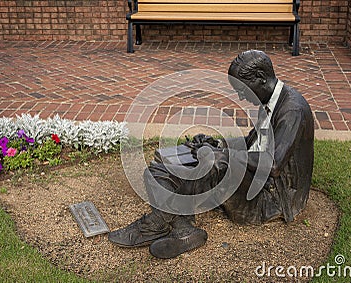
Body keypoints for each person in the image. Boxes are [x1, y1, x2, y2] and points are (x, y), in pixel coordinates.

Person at [108, 50, 314, 259]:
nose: (241, 95)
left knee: (216, 161)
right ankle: (184, 229)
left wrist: (222, 153)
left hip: (270, 198)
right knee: (160, 168)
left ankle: (156, 222)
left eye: (242, 88)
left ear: (261, 78)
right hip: (253, 179)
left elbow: (274, 164)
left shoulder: (292, 111)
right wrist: (215, 142)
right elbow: (253, 144)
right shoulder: (270, 100)